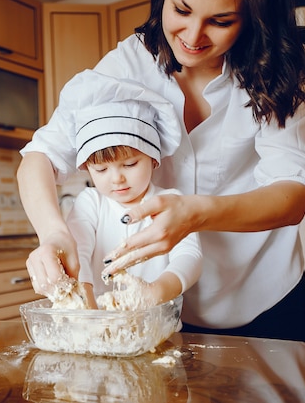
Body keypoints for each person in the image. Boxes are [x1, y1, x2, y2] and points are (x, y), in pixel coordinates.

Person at [18, 0, 305, 342]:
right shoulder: (127, 67)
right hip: (162, 312)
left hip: (264, 292)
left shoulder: (278, 68)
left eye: (221, 21)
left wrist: (198, 213)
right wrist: (53, 232)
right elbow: (39, 157)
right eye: (181, 10)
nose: (193, 36)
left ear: (254, 18)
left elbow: (293, 193)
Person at [64, 72, 202, 308]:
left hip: (157, 324)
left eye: (129, 164)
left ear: (153, 159)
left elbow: (189, 257)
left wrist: (155, 292)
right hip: (98, 323)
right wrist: (88, 310)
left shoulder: (171, 201)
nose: (116, 178)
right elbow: (79, 254)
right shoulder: (90, 203)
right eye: (101, 170)